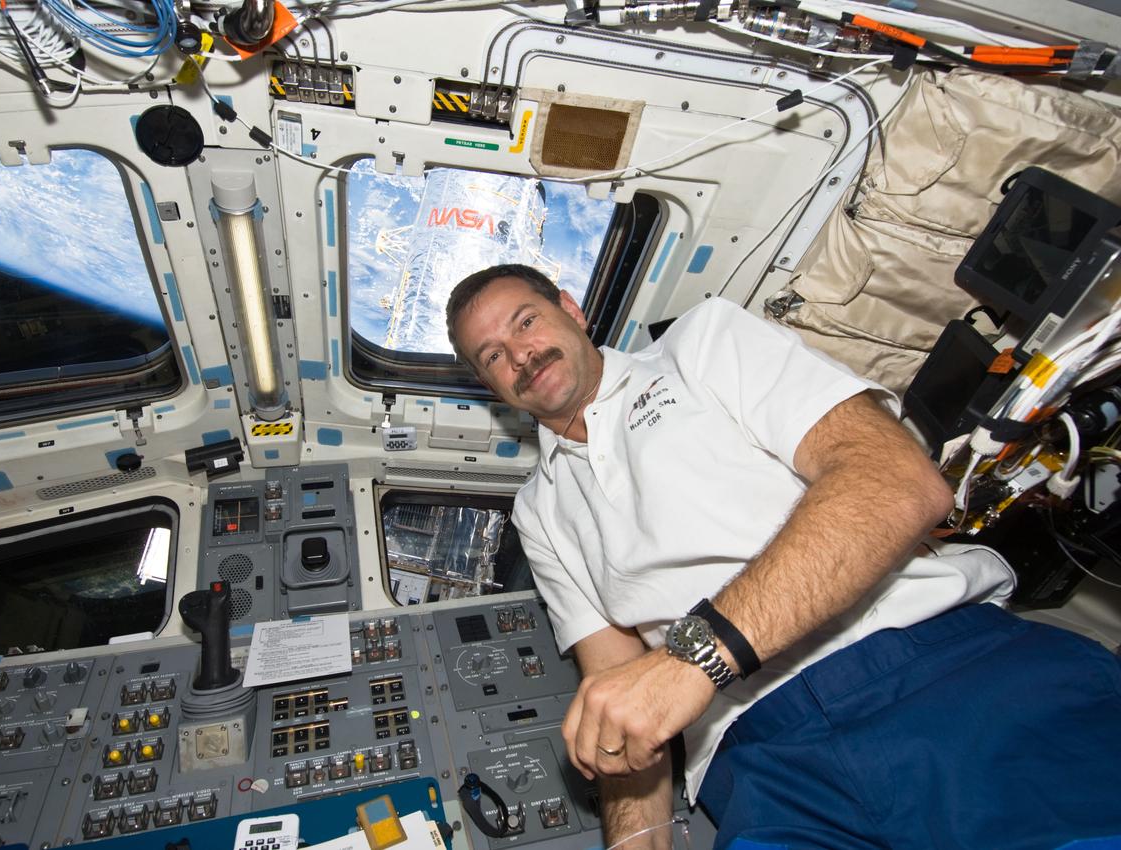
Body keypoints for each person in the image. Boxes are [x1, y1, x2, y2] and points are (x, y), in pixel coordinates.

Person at [445, 263, 1121, 850]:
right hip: (759, 766)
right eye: (492, 356)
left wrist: (691, 661)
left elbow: (897, 482)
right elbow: (621, 700)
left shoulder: (699, 343)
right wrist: (632, 838)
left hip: (928, 668)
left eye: (526, 322)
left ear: (572, 309)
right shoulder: (538, 507)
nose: (520, 355)